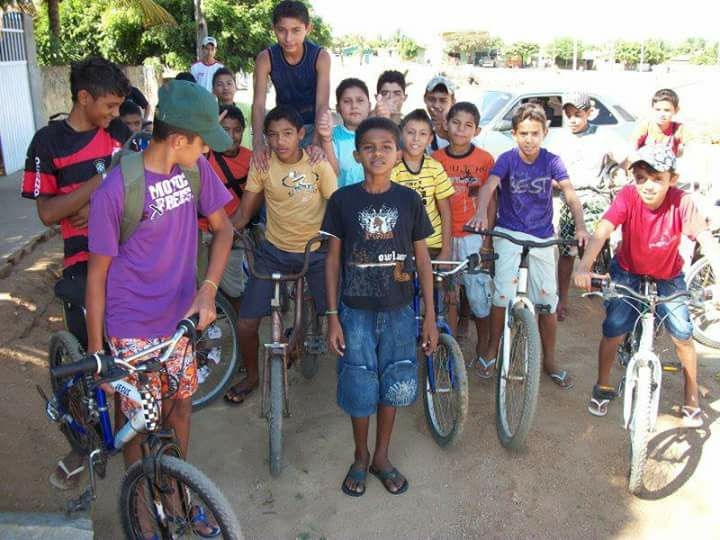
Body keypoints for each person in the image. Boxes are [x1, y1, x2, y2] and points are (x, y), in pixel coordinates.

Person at [86, 80, 233, 535]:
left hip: (179, 324)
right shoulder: (116, 190)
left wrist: (207, 289)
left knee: (179, 411)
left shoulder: (195, 170)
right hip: (131, 327)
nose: (207, 149)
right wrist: (97, 354)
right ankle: (141, 507)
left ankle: (177, 495)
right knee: (137, 423)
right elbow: (96, 276)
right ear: (179, 139)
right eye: (203, 140)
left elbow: (224, 229)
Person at [21, 57, 131, 490]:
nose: (115, 115)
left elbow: (133, 184)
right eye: (109, 106)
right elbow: (48, 213)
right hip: (81, 258)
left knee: (130, 346)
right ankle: (82, 440)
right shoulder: (47, 142)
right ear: (84, 98)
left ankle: (126, 427)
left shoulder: (118, 133)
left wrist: (93, 205)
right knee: (88, 356)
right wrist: (97, 186)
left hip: (126, 248)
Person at [322, 116, 439, 497]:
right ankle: (360, 455)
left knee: (394, 380)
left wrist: (430, 317)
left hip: (400, 311)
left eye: (386, 147)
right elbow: (332, 261)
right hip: (354, 312)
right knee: (358, 381)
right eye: (369, 147)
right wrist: (332, 316)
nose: (377, 153)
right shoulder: (342, 200)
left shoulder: (409, 200)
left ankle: (382, 456)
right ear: (356, 155)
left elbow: (423, 260)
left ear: (398, 153)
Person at [573, 145, 720, 427]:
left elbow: (706, 240)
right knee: (614, 330)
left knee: (683, 333)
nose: (648, 186)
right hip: (627, 272)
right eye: (641, 178)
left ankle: (691, 394)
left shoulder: (682, 202)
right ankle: (603, 384)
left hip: (668, 276)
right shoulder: (628, 196)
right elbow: (604, 229)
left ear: (672, 179)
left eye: (657, 178)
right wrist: (584, 266)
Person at [468, 103, 589, 387]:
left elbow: (570, 194)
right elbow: (489, 186)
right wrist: (480, 213)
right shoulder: (507, 159)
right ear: (514, 134)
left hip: (542, 236)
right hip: (508, 233)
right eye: (523, 133)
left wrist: (581, 226)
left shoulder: (552, 161)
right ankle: (493, 348)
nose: (529, 139)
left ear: (545, 133)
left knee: (547, 300)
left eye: (535, 133)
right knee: (502, 295)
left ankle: (549, 360)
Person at [223, 105, 337, 404]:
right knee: (246, 324)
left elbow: (337, 207)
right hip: (273, 252)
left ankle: (340, 364)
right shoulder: (263, 165)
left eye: (287, 133)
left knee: (337, 314)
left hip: (314, 252)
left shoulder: (317, 164)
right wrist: (223, 234)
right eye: (272, 135)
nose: (280, 141)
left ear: (301, 134)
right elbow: (244, 213)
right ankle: (252, 375)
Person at [550, 91, 629, 322]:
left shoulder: (604, 136)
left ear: (589, 113)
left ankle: (604, 294)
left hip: (595, 197)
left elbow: (627, 159)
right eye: (568, 114)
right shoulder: (557, 139)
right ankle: (562, 299)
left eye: (578, 114)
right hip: (568, 197)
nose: (573, 119)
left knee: (592, 244)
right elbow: (548, 170)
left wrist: (621, 172)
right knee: (566, 251)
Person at [432, 102, 495, 368]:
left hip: (474, 236)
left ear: (476, 130)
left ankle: (483, 346)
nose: (461, 129)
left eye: (468, 125)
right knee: (449, 294)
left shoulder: (485, 160)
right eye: (456, 123)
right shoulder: (436, 159)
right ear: (446, 125)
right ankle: (451, 353)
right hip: (444, 236)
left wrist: (487, 239)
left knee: (479, 294)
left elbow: (491, 201)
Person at [251, 0, 331, 165]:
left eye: (296, 30)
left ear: (308, 28)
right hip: (282, 131)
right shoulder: (265, 58)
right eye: (281, 30)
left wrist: (317, 142)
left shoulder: (320, 57)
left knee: (318, 171)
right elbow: (258, 104)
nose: (288, 38)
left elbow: (322, 104)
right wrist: (258, 142)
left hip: (312, 126)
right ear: (274, 29)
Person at [199, 104, 253, 307]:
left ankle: (235, 323)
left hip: (233, 231)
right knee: (198, 286)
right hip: (201, 231)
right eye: (224, 129)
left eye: (237, 130)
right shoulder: (203, 155)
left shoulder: (251, 159)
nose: (231, 136)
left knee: (234, 291)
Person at [391, 109, 454, 261]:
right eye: (410, 132)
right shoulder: (393, 168)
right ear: (401, 134)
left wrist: (446, 250)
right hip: (402, 245)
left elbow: (445, 212)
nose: (416, 139)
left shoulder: (435, 167)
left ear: (430, 138)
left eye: (423, 134)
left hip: (433, 244)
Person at [631, 88, 686, 157]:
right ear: (652, 108)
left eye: (667, 110)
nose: (661, 114)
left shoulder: (678, 129)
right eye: (658, 110)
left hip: (667, 163)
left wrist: (680, 149)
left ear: (676, 110)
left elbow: (691, 147)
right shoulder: (645, 127)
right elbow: (631, 149)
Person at [212, 67, 253, 147]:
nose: (225, 88)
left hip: (245, 153)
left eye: (229, 83)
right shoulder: (209, 113)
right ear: (213, 89)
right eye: (220, 84)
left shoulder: (248, 108)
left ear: (236, 87)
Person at [424, 75, 456, 152]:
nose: (436, 105)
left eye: (443, 100)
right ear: (425, 99)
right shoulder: (417, 127)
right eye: (432, 99)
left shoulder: (461, 130)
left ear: (453, 102)